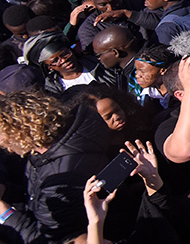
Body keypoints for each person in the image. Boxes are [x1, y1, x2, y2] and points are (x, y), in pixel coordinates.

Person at [0, 89, 109, 243]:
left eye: (4, 139)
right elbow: (37, 194)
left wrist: (4, 212)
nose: (6, 147)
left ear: (20, 133)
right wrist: (8, 192)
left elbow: (47, 238)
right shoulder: (70, 136)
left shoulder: (63, 173)